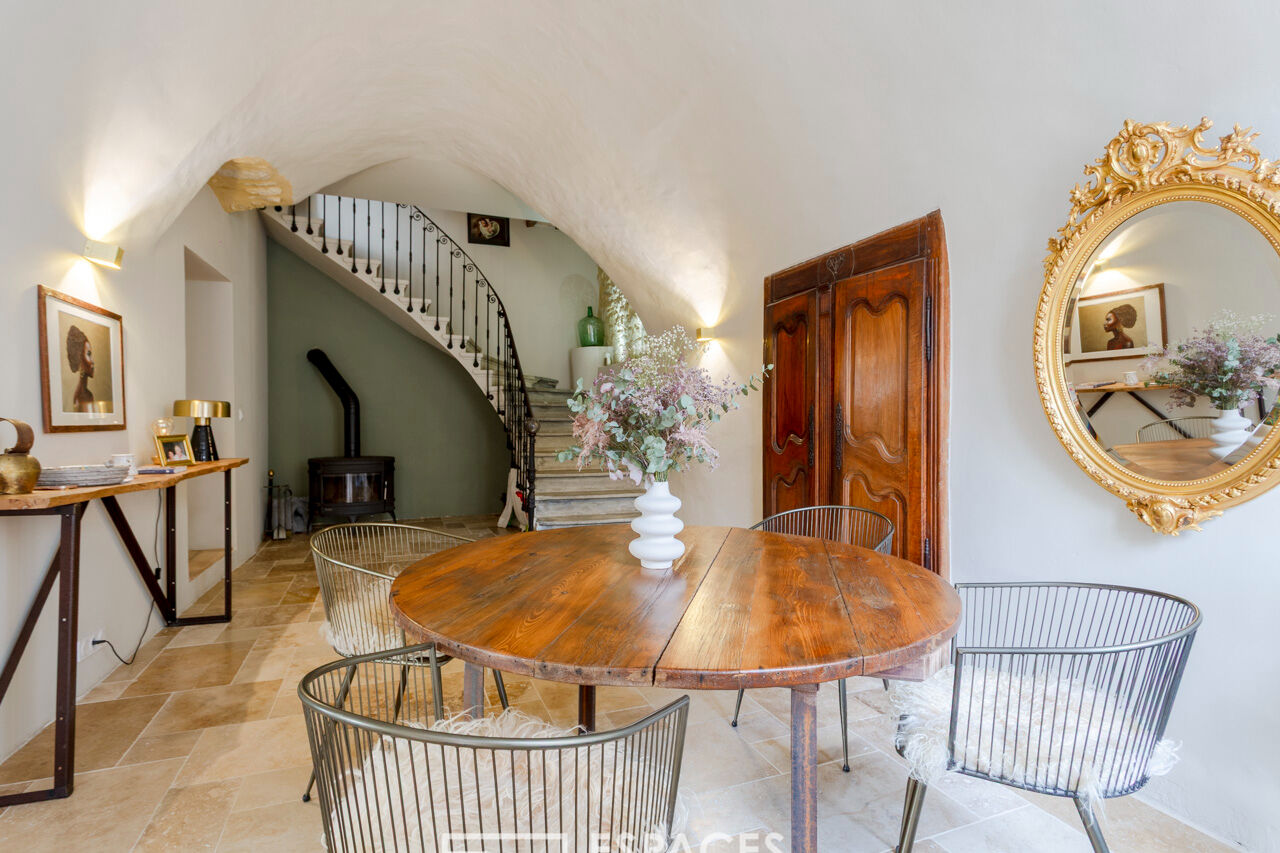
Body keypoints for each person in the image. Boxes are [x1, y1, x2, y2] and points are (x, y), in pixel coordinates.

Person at [65, 325, 96, 411]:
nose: (92, 361)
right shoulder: (79, 397)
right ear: (80, 359)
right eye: (89, 354)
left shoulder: (88, 394)